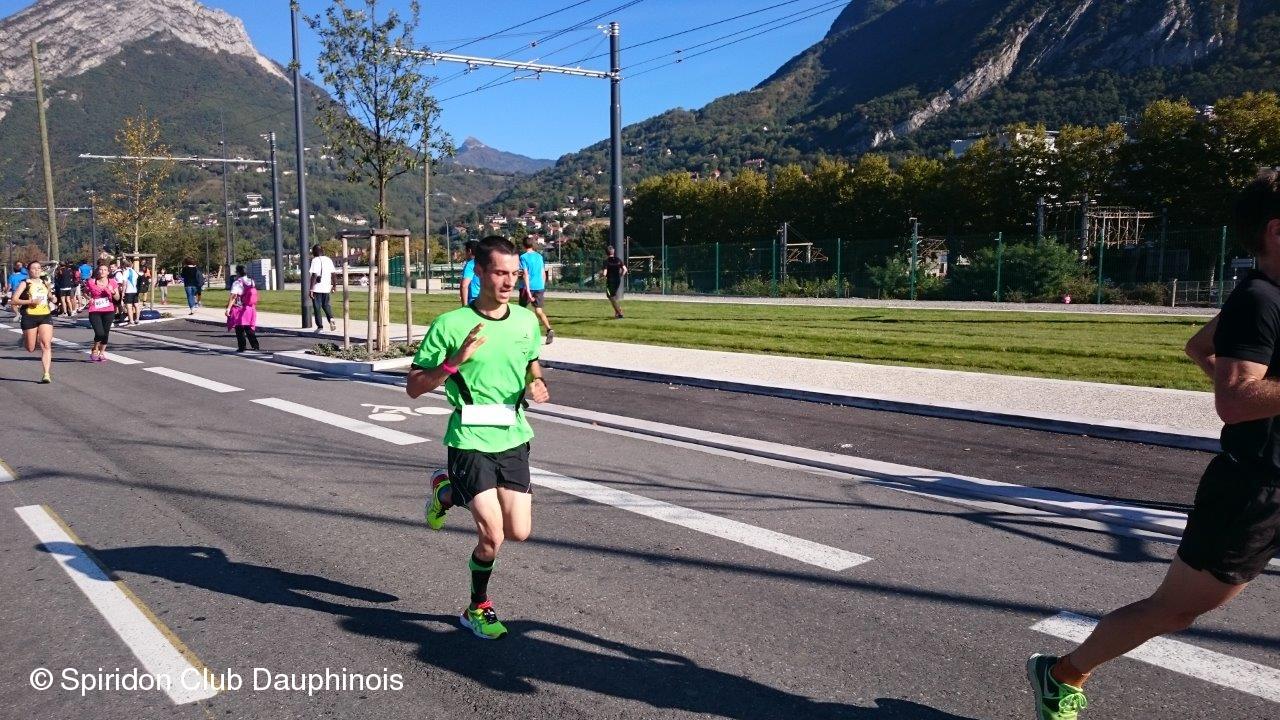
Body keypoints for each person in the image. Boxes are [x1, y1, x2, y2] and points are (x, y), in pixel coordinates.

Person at [1026, 171, 1280, 720]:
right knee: (1173, 611)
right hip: (1254, 491)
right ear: (1277, 230)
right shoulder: (1259, 300)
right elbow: (1235, 400)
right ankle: (1063, 673)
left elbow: (1198, 347)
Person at [407, 235, 550, 640]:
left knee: (519, 531)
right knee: (493, 536)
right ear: (481, 272)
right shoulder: (450, 324)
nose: (509, 282)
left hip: (513, 434)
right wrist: (454, 362)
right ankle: (477, 608)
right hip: (469, 437)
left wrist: (536, 382)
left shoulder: (525, 321)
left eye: (514, 273)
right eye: (500, 273)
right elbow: (414, 387)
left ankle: (447, 492)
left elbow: (531, 361)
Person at [11, 260, 55, 383]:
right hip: (29, 316)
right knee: (30, 348)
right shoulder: (25, 283)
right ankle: (25, 337)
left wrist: (53, 298)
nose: (36, 270)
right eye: (33, 268)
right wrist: (30, 302)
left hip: (45, 315)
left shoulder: (45, 283)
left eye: (38, 268)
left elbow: (50, 296)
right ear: (29, 271)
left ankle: (46, 374)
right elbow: (14, 300)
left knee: (46, 344)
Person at [518, 237, 554, 344]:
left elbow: (525, 274)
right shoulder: (539, 256)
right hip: (539, 286)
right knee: (539, 311)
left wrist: (528, 292)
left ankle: (522, 333)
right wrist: (542, 286)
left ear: (523, 245)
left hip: (527, 287)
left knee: (521, 311)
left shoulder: (523, 257)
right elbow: (543, 273)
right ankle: (549, 329)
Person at [85, 264, 119, 362]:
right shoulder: (91, 282)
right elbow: (85, 292)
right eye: (101, 269)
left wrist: (112, 292)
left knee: (105, 333)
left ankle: (102, 353)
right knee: (99, 333)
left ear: (108, 272)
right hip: (95, 310)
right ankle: (95, 348)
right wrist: (89, 298)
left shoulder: (112, 282)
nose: (103, 271)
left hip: (109, 310)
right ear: (98, 271)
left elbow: (117, 298)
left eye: (105, 270)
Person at [226, 265, 260, 352]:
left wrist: (228, 308)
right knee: (249, 327)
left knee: (239, 327)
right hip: (250, 308)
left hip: (240, 308)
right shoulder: (251, 281)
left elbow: (233, 296)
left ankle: (242, 346)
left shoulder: (237, 283)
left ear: (238, 273)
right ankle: (255, 345)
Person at [309, 244, 337, 332]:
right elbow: (333, 274)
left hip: (317, 288)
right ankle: (331, 318)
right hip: (326, 287)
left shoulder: (315, 260)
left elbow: (314, 275)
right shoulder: (328, 260)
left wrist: (311, 289)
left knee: (317, 307)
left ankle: (320, 327)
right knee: (326, 305)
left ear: (315, 251)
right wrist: (334, 285)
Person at [601, 245, 627, 319]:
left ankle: (619, 312)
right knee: (613, 296)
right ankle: (617, 312)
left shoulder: (606, 261)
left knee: (611, 296)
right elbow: (625, 270)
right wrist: (620, 276)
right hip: (617, 280)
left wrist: (601, 276)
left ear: (606, 253)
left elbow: (604, 273)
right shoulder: (618, 260)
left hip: (610, 281)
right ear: (613, 251)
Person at [117, 261, 140, 326]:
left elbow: (124, 283)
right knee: (136, 305)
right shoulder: (135, 272)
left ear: (124, 266)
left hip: (128, 291)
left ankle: (131, 321)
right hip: (135, 291)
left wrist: (123, 292)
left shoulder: (126, 272)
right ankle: (137, 319)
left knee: (129, 306)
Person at [459, 240, 481, 306]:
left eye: (465, 251)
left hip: (473, 300)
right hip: (486, 299)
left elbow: (464, 285)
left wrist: (464, 306)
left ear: (469, 251)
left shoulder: (471, 264)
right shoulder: (485, 262)